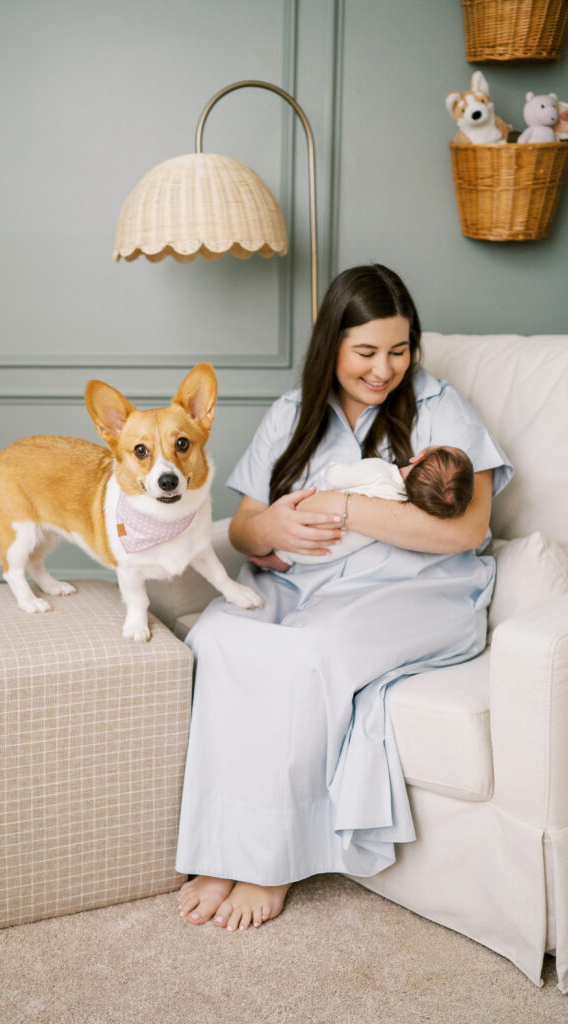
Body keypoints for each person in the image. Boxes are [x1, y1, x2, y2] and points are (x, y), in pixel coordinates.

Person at [175, 264, 512, 933]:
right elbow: (243, 526)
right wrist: (270, 526)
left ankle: (268, 859)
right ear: (330, 344)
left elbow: (467, 528)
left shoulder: (441, 407)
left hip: (414, 589)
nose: (382, 369)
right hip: (300, 579)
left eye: (398, 350)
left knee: (305, 654)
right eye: (365, 352)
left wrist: (345, 507)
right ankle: (219, 846)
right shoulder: (291, 414)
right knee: (215, 637)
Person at [252, 445, 475, 571]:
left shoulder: (380, 471)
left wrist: (332, 468)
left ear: (420, 457)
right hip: (328, 553)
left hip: (307, 525)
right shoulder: (402, 509)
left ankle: (282, 557)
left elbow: (337, 476)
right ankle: (284, 560)